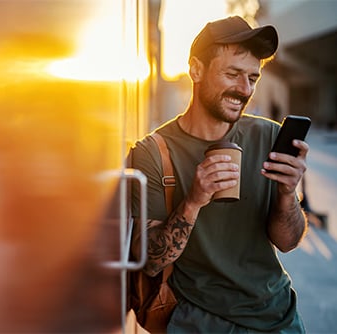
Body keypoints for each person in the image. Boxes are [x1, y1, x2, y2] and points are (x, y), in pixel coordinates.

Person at [130, 16, 309, 333]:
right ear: (196, 69)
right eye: (233, 74)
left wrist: (287, 195)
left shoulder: (269, 137)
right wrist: (194, 199)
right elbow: (152, 260)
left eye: (253, 78)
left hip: (276, 317)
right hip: (197, 319)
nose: (245, 89)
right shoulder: (154, 152)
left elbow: (288, 242)